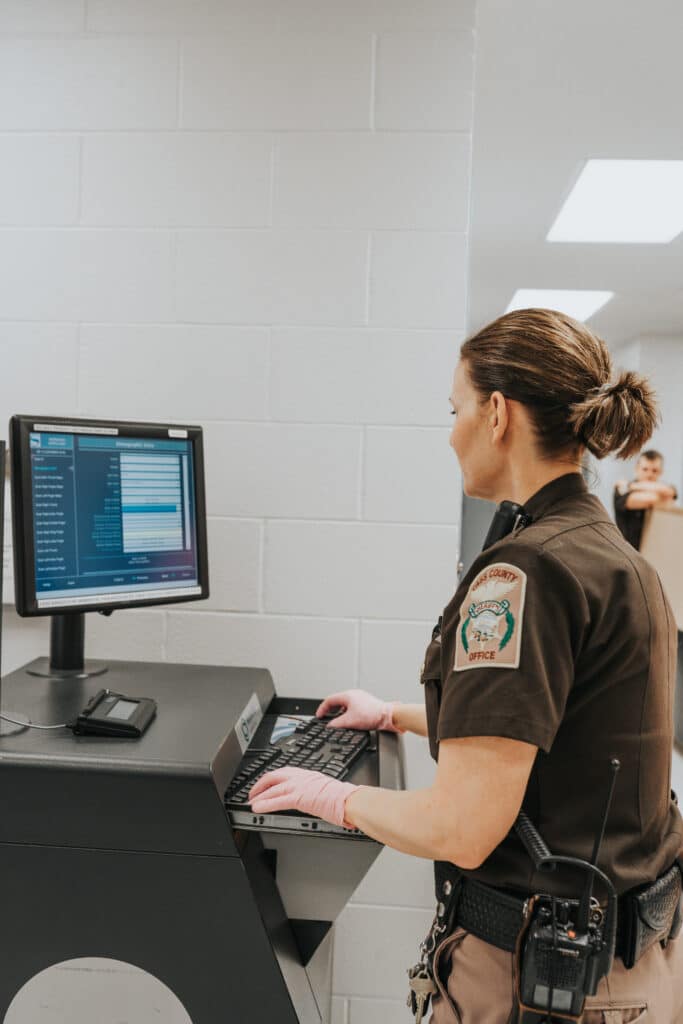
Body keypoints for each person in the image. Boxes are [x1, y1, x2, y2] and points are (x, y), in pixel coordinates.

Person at [250, 308, 683, 1023]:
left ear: (496, 413)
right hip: (629, 965)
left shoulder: (527, 571)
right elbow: (557, 731)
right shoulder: (610, 555)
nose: (449, 432)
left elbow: (459, 828)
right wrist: (392, 715)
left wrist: (332, 799)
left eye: (454, 409)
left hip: (541, 989)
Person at [614, 449, 677, 549]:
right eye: (645, 469)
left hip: (654, 553)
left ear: (661, 472)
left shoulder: (626, 487)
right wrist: (663, 496)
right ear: (637, 469)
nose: (649, 474)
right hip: (628, 554)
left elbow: (670, 492)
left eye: (654, 471)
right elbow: (652, 499)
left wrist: (631, 485)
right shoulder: (622, 491)